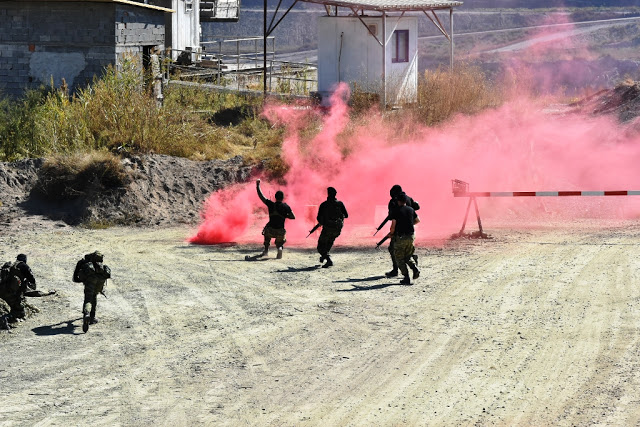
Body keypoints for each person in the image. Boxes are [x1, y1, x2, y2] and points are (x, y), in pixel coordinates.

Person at [384, 185, 420, 278]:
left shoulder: (394, 202)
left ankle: (396, 270)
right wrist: (408, 224)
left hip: (399, 231)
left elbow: (392, 218)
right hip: (410, 231)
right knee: (407, 250)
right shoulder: (409, 199)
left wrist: (392, 233)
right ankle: (413, 260)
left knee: (394, 250)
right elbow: (416, 210)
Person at [256, 179, 295, 259]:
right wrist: (285, 215)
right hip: (280, 231)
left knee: (266, 234)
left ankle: (266, 251)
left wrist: (258, 186)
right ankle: (279, 248)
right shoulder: (286, 206)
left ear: (275, 197)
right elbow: (293, 217)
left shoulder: (271, 204)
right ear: (282, 198)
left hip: (271, 230)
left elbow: (261, 196)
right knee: (280, 242)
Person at [74, 251, 111, 333]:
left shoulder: (84, 263)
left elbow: (75, 278)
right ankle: (92, 318)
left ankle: (87, 313)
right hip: (100, 282)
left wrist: (83, 279)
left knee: (88, 299)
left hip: (90, 282)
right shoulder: (100, 267)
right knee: (94, 296)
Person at [316, 187, 348, 268]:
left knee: (320, 247)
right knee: (329, 243)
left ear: (328, 194)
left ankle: (328, 259)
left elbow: (319, 218)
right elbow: (346, 215)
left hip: (327, 229)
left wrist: (322, 222)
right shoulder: (340, 204)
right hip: (337, 229)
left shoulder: (324, 205)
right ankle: (324, 256)